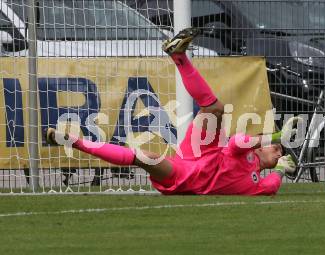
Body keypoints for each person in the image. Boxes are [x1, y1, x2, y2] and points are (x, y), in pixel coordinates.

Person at [45, 28, 298, 195]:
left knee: (144, 157)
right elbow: (236, 142)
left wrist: (278, 170)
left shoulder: (256, 183)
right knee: (215, 108)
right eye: (276, 148)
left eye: (280, 153)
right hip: (203, 151)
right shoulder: (248, 153)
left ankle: (76, 142)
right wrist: (274, 137)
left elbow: (271, 186)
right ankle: (179, 56)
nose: (277, 151)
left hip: (189, 175)